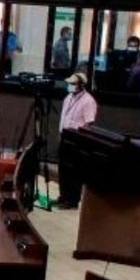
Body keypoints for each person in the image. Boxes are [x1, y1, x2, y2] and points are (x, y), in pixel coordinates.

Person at [56, 72, 98, 209]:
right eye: (70, 83)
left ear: (81, 85)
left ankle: (72, 200)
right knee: (63, 169)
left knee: (74, 172)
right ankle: (63, 196)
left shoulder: (88, 101)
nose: (70, 86)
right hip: (65, 137)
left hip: (77, 140)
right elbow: (64, 117)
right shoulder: (68, 98)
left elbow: (88, 123)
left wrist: (80, 140)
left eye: (73, 84)